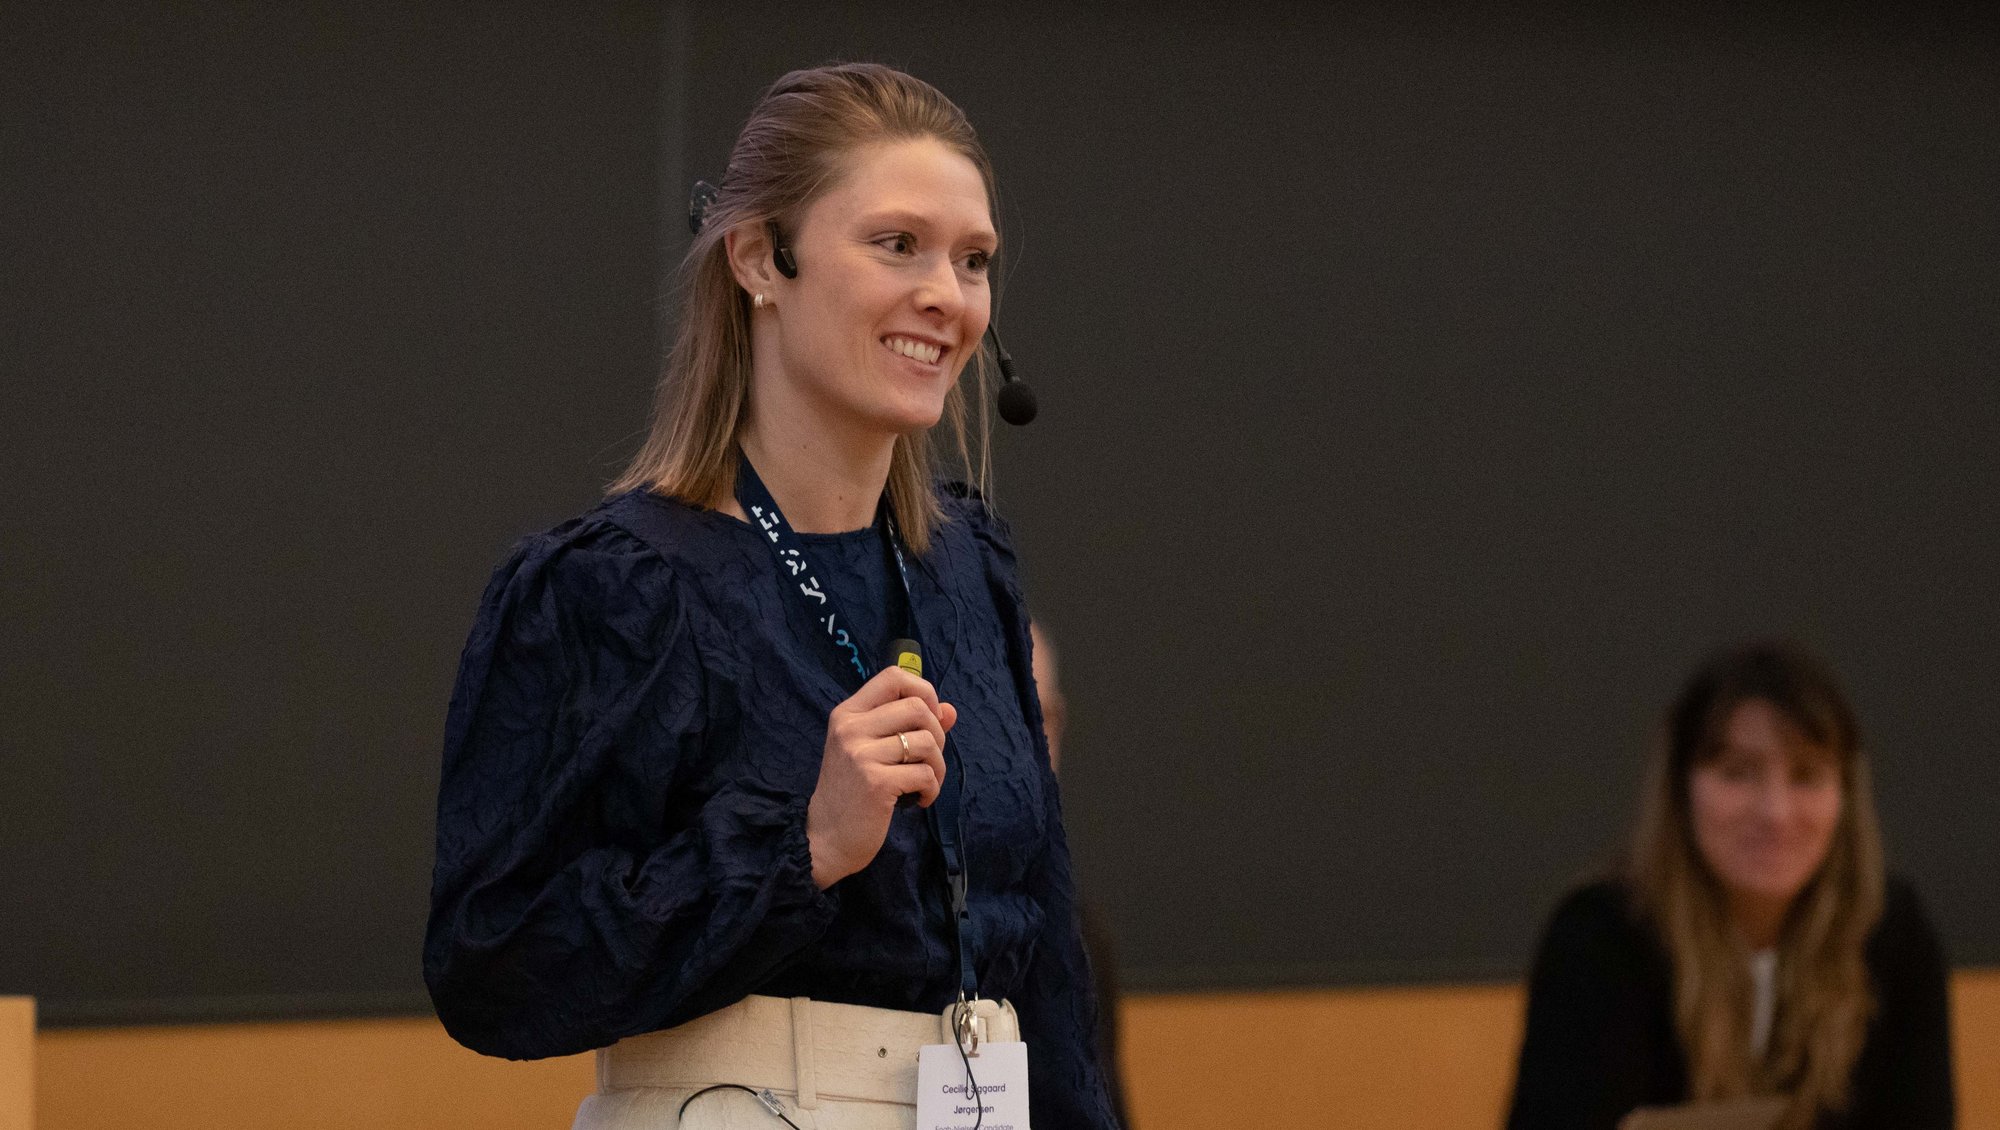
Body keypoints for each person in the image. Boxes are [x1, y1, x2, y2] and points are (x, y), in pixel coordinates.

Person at [424, 63, 1119, 1129]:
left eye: (971, 259)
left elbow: (1044, 955)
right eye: (897, 244)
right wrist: (799, 846)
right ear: (759, 257)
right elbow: (493, 962)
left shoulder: (968, 565)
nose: (946, 292)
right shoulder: (610, 588)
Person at [1506, 642, 1954, 1130]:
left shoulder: (1891, 932)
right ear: (1680, 788)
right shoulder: (1599, 938)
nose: (1775, 813)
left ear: (1846, 796)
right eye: (1737, 773)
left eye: (1807, 776)